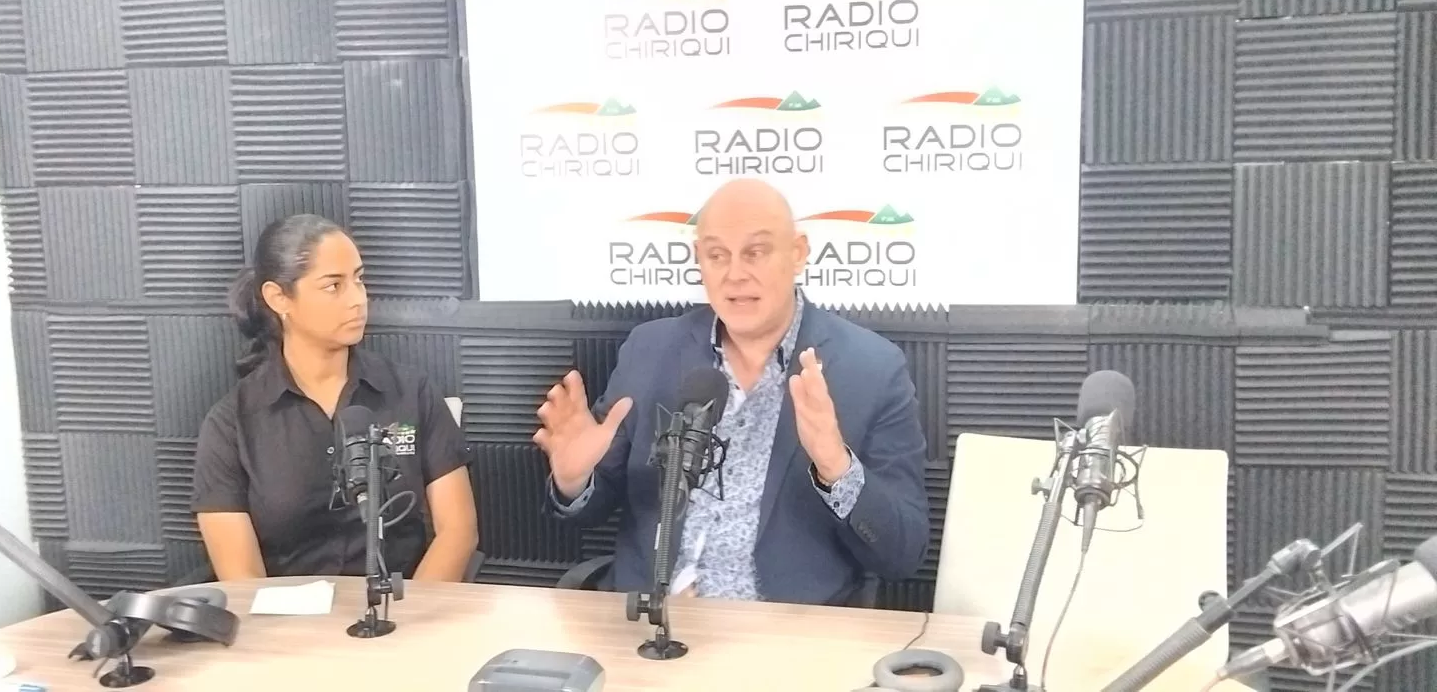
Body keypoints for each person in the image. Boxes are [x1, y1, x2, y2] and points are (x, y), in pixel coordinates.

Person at [536, 178, 930, 606]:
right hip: (647, 619)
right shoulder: (649, 351)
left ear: (798, 253)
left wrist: (837, 468)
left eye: (755, 252)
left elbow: (903, 554)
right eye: (717, 255)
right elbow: (596, 502)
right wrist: (574, 481)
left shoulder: (871, 368)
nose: (735, 274)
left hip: (784, 630)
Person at [191, 214, 479, 582]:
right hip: (284, 616)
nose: (358, 299)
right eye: (333, 286)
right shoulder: (231, 424)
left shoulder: (413, 392)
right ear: (278, 297)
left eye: (359, 280)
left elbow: (458, 533)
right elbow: (242, 578)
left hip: (402, 608)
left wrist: (408, 612)